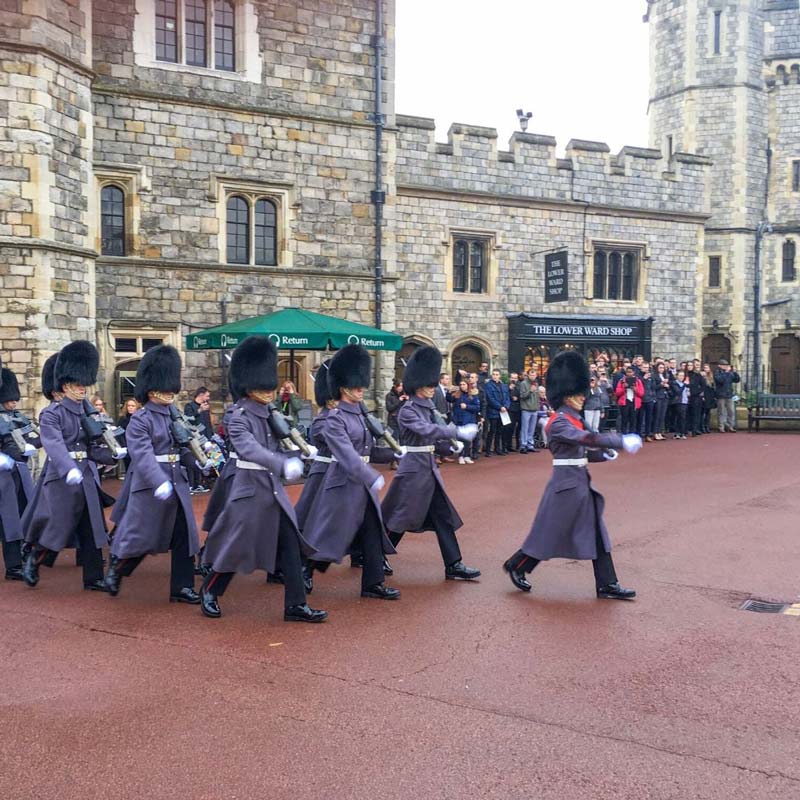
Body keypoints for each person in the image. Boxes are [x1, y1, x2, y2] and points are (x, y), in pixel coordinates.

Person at [198, 337, 326, 623]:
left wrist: (302, 453)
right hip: (249, 489)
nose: (269, 392)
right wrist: (282, 463)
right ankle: (210, 589)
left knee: (291, 547)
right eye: (263, 386)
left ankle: (295, 605)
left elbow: (279, 444)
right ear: (248, 384)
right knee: (236, 547)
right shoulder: (239, 416)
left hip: (274, 492)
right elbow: (249, 449)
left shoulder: (270, 413)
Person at [502, 350, 641, 600]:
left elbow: (583, 449)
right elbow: (585, 439)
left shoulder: (575, 418)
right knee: (550, 531)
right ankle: (517, 565)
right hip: (565, 486)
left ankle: (607, 584)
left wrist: (603, 455)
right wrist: (618, 440)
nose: (581, 398)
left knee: (597, 532)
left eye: (581, 394)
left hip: (579, 482)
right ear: (564, 395)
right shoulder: (559, 421)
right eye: (575, 394)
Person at [103, 345, 202, 605]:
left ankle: (181, 587)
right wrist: (158, 482)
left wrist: (200, 463)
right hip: (150, 487)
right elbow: (142, 455)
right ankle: (118, 567)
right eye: (165, 386)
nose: (170, 391)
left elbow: (184, 448)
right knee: (143, 536)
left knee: (184, 535)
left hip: (177, 484)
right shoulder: (141, 420)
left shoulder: (174, 416)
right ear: (151, 388)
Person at [22, 341, 123, 591]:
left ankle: (93, 578)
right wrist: (69, 469)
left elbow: (91, 449)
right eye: (78, 385)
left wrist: (114, 454)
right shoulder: (52, 414)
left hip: (86, 476)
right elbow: (54, 444)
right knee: (57, 527)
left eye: (83, 385)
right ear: (65, 387)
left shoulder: (86, 414)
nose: (82, 389)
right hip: (62, 477)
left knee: (92, 528)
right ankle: (35, 560)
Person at [302, 344, 399, 600]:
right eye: (356, 385)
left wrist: (396, 453)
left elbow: (369, 451)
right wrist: (370, 475)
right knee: (330, 535)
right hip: (343, 483)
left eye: (361, 384)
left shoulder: (360, 416)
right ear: (343, 386)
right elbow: (346, 454)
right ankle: (305, 568)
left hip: (362, 486)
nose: (361, 388)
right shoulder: (335, 419)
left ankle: (372, 583)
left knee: (371, 533)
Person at [381, 347, 480, 581]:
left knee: (442, 517)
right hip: (414, 470)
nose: (432, 388)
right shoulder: (408, 411)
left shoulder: (429, 407)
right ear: (417, 385)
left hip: (429, 470)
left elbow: (433, 439)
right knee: (400, 517)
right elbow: (426, 431)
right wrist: (456, 431)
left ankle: (454, 564)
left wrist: (449, 446)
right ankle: (376, 554)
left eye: (433, 384)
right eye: (429, 384)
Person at [0, 363, 41, 580]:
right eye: (9, 397)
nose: (13, 400)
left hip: (20, 471)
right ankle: (13, 565)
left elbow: (32, 436)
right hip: (2, 475)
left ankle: (25, 556)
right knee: (9, 520)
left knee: (26, 514)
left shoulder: (18, 416)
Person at [184, 387, 212, 494]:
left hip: (205, 439)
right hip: (194, 439)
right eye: (207, 395)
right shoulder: (189, 406)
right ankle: (191, 484)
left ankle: (199, 483)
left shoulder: (206, 406)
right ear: (201, 395)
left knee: (204, 462)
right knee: (193, 461)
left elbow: (207, 423)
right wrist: (199, 411)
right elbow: (188, 420)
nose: (208, 398)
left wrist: (210, 437)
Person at [450, 379, 480, 464]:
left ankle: (467, 455)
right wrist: (449, 392)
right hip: (459, 419)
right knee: (460, 439)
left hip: (469, 420)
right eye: (461, 384)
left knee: (468, 439)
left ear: (468, 385)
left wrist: (467, 406)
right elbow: (449, 399)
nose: (462, 386)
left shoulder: (473, 395)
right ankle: (460, 456)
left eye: (464, 384)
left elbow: (477, 407)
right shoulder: (457, 395)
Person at [484, 369, 510, 456]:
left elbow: (507, 398)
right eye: (494, 374)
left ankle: (497, 448)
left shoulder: (504, 386)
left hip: (503, 411)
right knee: (492, 430)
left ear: (500, 376)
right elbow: (490, 398)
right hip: (493, 411)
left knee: (500, 431)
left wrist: (506, 406)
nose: (495, 376)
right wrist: (500, 407)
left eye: (497, 374)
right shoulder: (488, 385)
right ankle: (488, 450)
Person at [614, 365, 643, 434]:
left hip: (634, 402)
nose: (629, 373)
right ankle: (624, 434)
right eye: (627, 372)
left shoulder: (638, 381)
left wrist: (635, 389)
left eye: (630, 372)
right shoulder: (621, 381)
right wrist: (624, 388)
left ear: (634, 373)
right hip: (625, 402)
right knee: (624, 419)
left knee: (633, 420)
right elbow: (617, 392)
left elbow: (642, 393)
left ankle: (632, 435)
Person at [714, 359, 740, 432]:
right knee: (721, 411)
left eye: (726, 365)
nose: (726, 366)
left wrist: (735, 372)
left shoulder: (730, 373)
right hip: (721, 395)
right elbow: (720, 380)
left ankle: (730, 426)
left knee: (731, 411)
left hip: (729, 394)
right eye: (724, 365)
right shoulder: (717, 372)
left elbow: (737, 380)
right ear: (719, 366)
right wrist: (726, 373)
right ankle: (721, 427)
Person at [518, 368, 539, 453]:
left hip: (534, 409)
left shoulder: (536, 383)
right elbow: (522, 396)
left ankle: (530, 444)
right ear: (528, 375)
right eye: (531, 375)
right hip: (526, 409)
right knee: (525, 428)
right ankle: (523, 445)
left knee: (532, 428)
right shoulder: (524, 383)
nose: (533, 376)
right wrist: (530, 391)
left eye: (534, 375)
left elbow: (537, 396)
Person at [685, 361, 705, 436]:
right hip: (685, 397)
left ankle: (694, 429)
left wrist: (697, 392)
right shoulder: (684, 375)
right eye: (688, 365)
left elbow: (703, 385)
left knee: (695, 413)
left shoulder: (697, 375)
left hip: (695, 397)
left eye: (691, 365)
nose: (689, 367)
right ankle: (686, 429)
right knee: (686, 414)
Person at [504, 372, 521, 452]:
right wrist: (509, 389)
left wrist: (517, 398)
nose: (514, 379)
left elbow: (522, 396)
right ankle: (508, 445)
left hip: (519, 409)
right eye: (512, 378)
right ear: (510, 378)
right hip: (509, 409)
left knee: (519, 428)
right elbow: (504, 396)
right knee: (509, 427)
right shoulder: (506, 386)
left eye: (515, 378)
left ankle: (518, 445)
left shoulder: (519, 386)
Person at [653, 362, 670, 440]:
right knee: (657, 415)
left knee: (662, 416)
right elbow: (654, 387)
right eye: (660, 367)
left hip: (664, 397)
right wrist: (661, 384)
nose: (662, 369)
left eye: (663, 368)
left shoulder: (664, 375)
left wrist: (667, 386)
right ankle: (655, 432)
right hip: (658, 397)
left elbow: (666, 386)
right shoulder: (655, 376)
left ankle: (660, 432)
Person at [701, 364, 716, 434]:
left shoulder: (711, 376)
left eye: (707, 368)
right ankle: (702, 426)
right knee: (703, 412)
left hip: (710, 395)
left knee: (708, 412)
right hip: (705, 395)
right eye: (704, 368)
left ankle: (707, 426)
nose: (706, 369)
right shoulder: (702, 376)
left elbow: (713, 386)